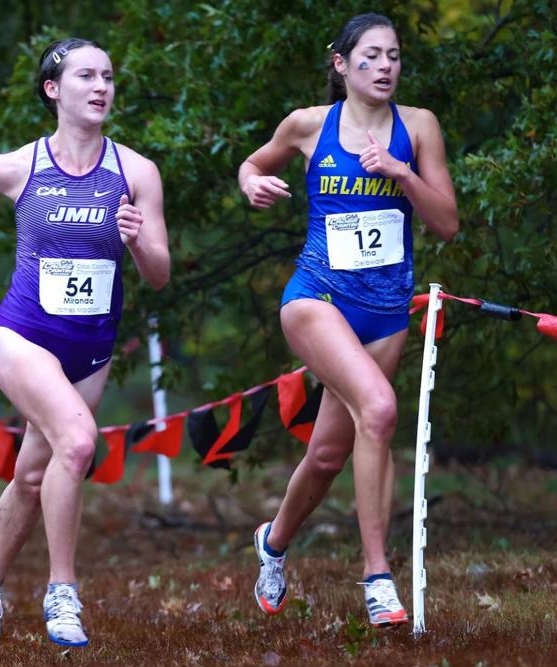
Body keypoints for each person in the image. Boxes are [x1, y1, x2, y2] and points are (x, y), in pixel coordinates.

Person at [0, 38, 170, 653]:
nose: (101, 87)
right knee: (78, 442)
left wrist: (138, 240)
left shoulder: (136, 171)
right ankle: (61, 591)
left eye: (109, 77)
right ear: (53, 90)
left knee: (35, 475)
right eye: (86, 76)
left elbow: (160, 274)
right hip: (21, 334)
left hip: (91, 346)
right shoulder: (17, 166)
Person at [236, 13, 458, 627]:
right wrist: (252, 183)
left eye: (394, 56)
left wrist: (403, 174)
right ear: (341, 64)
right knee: (381, 409)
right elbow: (253, 165)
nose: (386, 67)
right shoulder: (310, 125)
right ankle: (377, 574)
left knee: (332, 452)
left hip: (386, 309)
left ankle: (273, 543)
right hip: (317, 298)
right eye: (371, 57)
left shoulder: (419, 127)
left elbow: (446, 224)